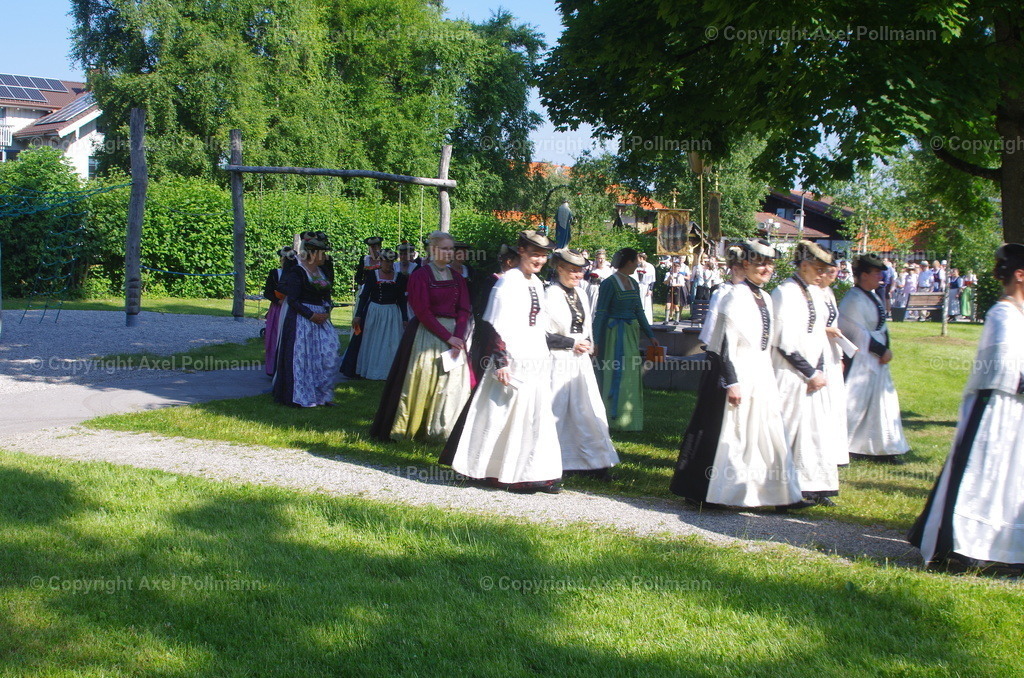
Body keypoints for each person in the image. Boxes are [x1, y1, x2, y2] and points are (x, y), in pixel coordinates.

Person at [909, 243, 1024, 572]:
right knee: (981, 474)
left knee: (1010, 477)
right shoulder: (1002, 313)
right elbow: (1000, 366)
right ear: (1019, 275)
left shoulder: (1018, 313)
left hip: (1014, 409)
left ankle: (1004, 547)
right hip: (994, 409)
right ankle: (958, 548)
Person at [671, 239, 803, 509]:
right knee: (731, 433)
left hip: (761, 373)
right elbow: (723, 344)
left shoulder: (765, 297)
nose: (766, 268)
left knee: (767, 431)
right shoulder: (734, 296)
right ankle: (714, 493)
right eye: (759, 263)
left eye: (769, 263)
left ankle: (779, 495)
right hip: (739, 373)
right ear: (746, 264)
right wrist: (731, 381)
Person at [442, 231, 563, 493]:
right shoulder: (506, 283)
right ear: (521, 251)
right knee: (501, 413)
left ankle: (532, 471)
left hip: (534, 357)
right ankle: (491, 470)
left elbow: (538, 325)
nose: (540, 260)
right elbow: (494, 325)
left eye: (543, 255)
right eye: (535, 254)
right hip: (510, 358)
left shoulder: (537, 283)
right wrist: (501, 361)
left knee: (533, 415)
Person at [370, 231, 473, 442]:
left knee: (451, 384)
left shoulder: (457, 277)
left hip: (455, 335)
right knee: (422, 379)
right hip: (427, 334)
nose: (449, 252)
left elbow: (464, 309)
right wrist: (447, 336)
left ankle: (444, 430)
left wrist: (458, 336)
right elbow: (422, 310)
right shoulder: (420, 275)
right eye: (444, 248)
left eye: (451, 248)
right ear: (433, 250)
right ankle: (414, 428)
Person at [772, 240, 839, 505]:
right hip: (788, 374)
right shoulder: (785, 293)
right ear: (803, 265)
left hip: (812, 376)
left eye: (826, 269)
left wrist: (819, 371)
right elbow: (782, 341)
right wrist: (809, 372)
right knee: (787, 431)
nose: (823, 274)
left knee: (813, 434)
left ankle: (812, 486)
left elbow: (818, 336)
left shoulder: (814, 293)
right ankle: (781, 491)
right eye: (818, 268)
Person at [546, 248, 619, 478]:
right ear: (559, 268)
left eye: (580, 271)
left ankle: (594, 462)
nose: (578, 275)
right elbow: (543, 334)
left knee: (587, 409)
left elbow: (585, 326)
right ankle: (555, 461)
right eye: (572, 271)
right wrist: (570, 343)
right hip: (557, 361)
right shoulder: (551, 294)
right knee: (558, 410)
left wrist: (589, 343)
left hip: (580, 362)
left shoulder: (582, 294)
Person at [838, 253, 910, 462]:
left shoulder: (873, 295)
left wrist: (886, 348)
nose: (880, 276)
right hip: (862, 360)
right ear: (863, 275)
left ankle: (882, 447)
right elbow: (857, 332)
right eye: (876, 272)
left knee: (881, 403)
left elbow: (881, 326)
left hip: (876, 360)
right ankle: (845, 445)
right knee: (855, 402)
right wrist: (880, 350)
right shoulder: (853, 299)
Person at [593, 248, 659, 430]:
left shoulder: (633, 282)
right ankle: (612, 417)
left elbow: (639, 311)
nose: (638, 264)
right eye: (635, 261)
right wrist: (596, 340)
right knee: (614, 371)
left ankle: (629, 418)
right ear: (628, 262)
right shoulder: (609, 283)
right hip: (614, 335)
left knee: (630, 373)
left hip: (630, 334)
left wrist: (650, 335)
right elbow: (600, 313)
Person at [273, 233, 339, 407]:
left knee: (327, 355)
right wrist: (311, 315)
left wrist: (326, 309)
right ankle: (301, 395)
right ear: (313, 254)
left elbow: (326, 295)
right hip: (302, 320)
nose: (325, 256)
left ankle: (322, 395)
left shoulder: (322, 271)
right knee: (303, 358)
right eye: (322, 253)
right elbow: (293, 300)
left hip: (321, 318)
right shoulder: (298, 271)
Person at [352, 249, 408, 380]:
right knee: (373, 341)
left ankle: (388, 372)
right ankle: (372, 371)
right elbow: (364, 296)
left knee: (391, 342)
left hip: (392, 312)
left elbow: (401, 299)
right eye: (385, 261)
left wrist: (405, 318)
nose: (388, 264)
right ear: (380, 261)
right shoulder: (373, 275)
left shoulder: (399, 277)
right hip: (375, 312)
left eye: (390, 261)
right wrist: (358, 315)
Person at [818, 258, 853, 467]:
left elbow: (835, 323)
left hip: (831, 351)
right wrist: (825, 330)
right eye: (829, 271)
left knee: (835, 403)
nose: (833, 275)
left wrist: (840, 355)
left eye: (836, 271)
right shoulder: (810, 294)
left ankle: (835, 452)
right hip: (818, 351)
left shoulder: (829, 294)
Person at [262, 246, 295, 377]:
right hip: (278, 308)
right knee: (275, 336)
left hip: (291, 307)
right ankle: (272, 367)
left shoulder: (296, 274)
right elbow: (267, 292)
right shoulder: (275, 273)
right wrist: (278, 300)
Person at [632, 252, 657, 325]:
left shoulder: (650, 267)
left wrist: (650, 289)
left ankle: (647, 321)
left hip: (646, 286)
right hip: (638, 286)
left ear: (641, 258)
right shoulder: (637, 267)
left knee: (646, 303)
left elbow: (652, 279)